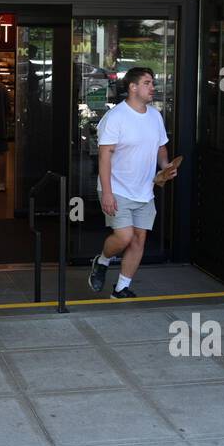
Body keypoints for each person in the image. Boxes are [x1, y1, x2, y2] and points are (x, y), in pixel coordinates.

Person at [87, 67, 178, 299]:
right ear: (133, 87)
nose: (153, 87)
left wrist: (165, 166)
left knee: (139, 239)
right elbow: (104, 155)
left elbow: (161, 147)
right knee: (124, 237)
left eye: (152, 83)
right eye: (147, 83)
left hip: (145, 190)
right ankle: (103, 260)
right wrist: (107, 193)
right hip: (117, 188)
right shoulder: (116, 117)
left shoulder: (155, 116)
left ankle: (121, 288)